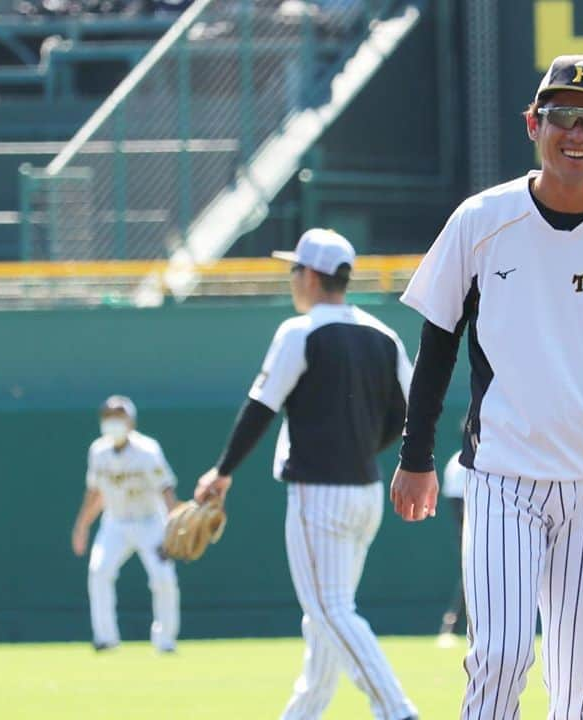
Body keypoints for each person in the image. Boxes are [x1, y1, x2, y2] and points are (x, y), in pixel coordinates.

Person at [389, 54, 583, 718]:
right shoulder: (482, 220)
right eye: (562, 116)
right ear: (534, 123)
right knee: (500, 657)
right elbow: (438, 343)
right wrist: (415, 458)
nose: (577, 133)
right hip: (504, 475)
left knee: (578, 685)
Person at [194, 229, 419, 720]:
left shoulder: (301, 331)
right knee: (324, 621)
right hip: (365, 494)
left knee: (331, 611)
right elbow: (411, 412)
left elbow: (260, 408)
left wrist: (223, 471)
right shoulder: (385, 335)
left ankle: (397, 711)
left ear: (313, 276)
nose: (292, 278)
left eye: (294, 269)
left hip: (319, 495)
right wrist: (365, 446)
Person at [71, 395, 180, 653]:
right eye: (108, 416)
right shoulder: (98, 450)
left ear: (130, 421)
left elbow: (166, 490)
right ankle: (105, 638)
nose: (113, 422)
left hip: (150, 522)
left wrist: (174, 524)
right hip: (115, 522)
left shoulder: (148, 450)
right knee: (99, 570)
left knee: (163, 578)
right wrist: (82, 526)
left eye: (118, 416)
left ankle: (165, 640)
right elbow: (95, 493)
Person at [435, 446, 466, 649]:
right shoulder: (459, 462)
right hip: (471, 525)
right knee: (475, 573)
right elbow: (459, 507)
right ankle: (451, 626)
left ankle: (451, 625)